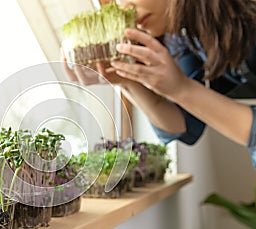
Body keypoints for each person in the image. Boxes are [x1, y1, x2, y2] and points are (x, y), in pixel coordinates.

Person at [64, 0, 256, 167]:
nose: (125, 7)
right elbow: (183, 125)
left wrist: (181, 89)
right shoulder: (182, 35)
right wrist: (127, 81)